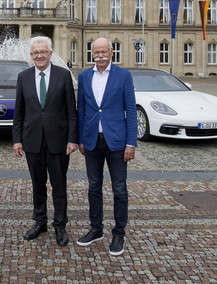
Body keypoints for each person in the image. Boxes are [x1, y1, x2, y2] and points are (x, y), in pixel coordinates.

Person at [13, 36, 78, 247]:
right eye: (35, 53)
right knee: (37, 185)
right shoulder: (23, 77)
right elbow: (19, 112)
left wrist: (72, 139)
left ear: (50, 53)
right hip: (32, 141)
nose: (39, 55)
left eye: (43, 52)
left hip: (58, 141)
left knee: (59, 186)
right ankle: (40, 222)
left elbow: (71, 111)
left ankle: (60, 225)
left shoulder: (63, 75)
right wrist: (17, 140)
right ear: (31, 56)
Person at [76, 37, 137, 256]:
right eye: (96, 52)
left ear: (111, 53)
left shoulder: (123, 76)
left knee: (119, 189)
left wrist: (131, 143)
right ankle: (96, 229)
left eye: (104, 52)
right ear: (91, 54)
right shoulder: (83, 76)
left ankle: (119, 233)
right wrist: (81, 139)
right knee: (94, 187)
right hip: (92, 141)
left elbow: (131, 111)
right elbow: (81, 110)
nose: (100, 56)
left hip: (117, 142)